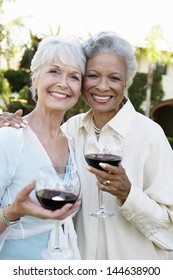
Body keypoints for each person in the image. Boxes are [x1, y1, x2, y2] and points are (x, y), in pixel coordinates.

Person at [1, 31, 173, 260]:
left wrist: (128, 194)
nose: (103, 87)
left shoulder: (150, 136)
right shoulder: (72, 130)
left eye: (114, 78)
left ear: (127, 82)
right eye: (92, 75)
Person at [0, 35, 86, 260]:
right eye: (54, 71)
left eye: (74, 76)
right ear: (35, 77)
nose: (63, 83)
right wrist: (14, 212)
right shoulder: (9, 138)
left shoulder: (73, 144)